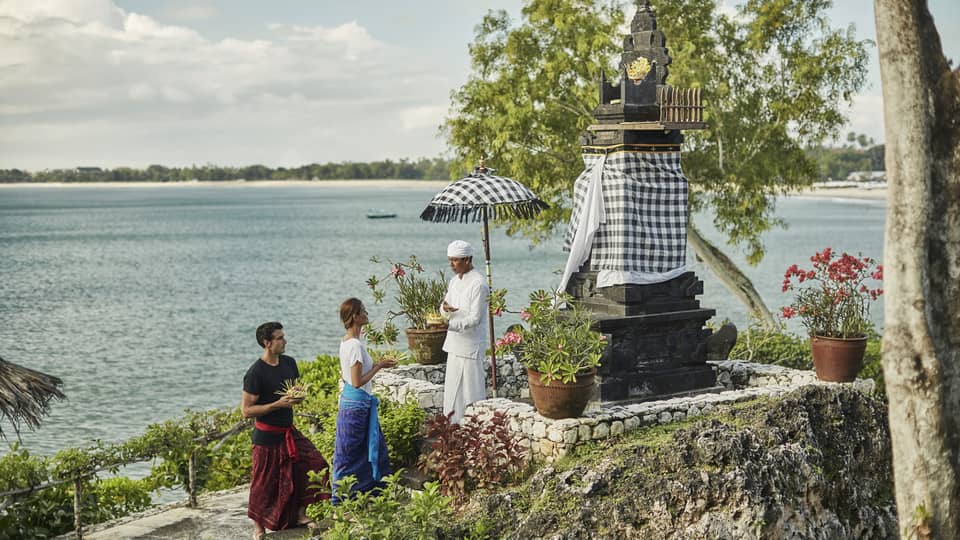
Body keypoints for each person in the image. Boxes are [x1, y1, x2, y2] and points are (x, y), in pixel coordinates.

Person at [242, 321, 330, 540]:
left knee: (316, 465)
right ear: (267, 343)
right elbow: (246, 410)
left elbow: (292, 394)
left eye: (283, 336)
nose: (285, 341)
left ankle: (300, 514)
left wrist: (296, 397)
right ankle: (259, 528)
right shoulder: (255, 373)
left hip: (288, 432)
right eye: (280, 338)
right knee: (264, 482)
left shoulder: (289, 363)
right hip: (266, 436)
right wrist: (275, 405)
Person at [334, 298, 396, 503]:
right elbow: (356, 381)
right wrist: (379, 366)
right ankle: (347, 498)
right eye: (363, 311)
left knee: (359, 453)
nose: (366, 313)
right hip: (357, 406)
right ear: (355, 317)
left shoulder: (346, 342)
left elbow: (347, 378)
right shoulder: (354, 346)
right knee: (353, 455)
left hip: (354, 403)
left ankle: (365, 497)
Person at [440, 240, 489, 424]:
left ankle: (473, 427)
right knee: (452, 390)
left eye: (455, 260)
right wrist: (445, 310)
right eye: (450, 260)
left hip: (470, 346)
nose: (451, 265)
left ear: (467, 259)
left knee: (470, 390)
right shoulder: (454, 281)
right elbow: (444, 306)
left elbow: (475, 319)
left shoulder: (479, 284)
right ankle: (451, 426)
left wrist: (451, 326)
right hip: (454, 345)